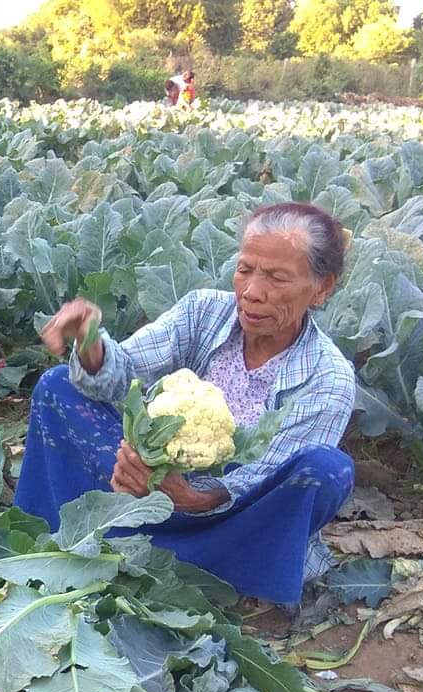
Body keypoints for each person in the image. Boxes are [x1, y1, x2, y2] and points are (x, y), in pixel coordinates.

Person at [18, 201, 356, 608]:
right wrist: (89, 341)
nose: (252, 292)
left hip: (230, 522)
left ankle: (212, 569)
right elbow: (123, 375)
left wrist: (193, 498)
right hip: (141, 490)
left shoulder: (329, 377)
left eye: (277, 278)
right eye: (245, 269)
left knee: (326, 469)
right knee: (59, 386)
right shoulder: (203, 312)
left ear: (322, 288)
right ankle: (70, 530)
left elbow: (264, 476)